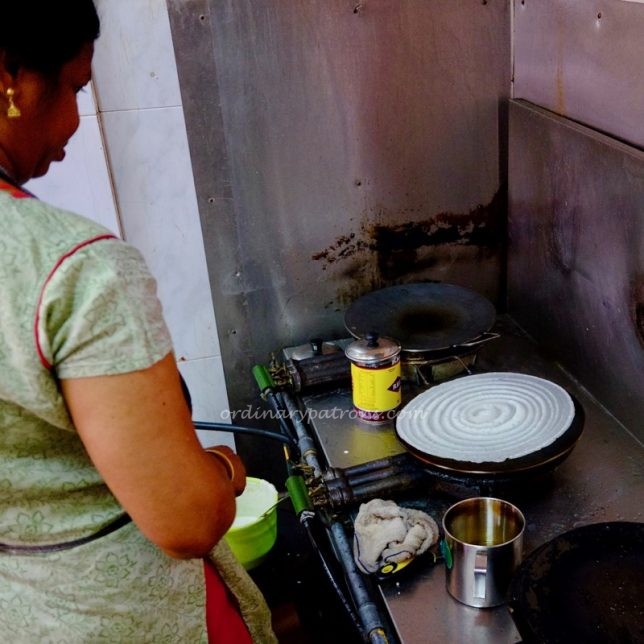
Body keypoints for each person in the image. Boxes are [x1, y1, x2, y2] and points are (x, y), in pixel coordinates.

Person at [0, 1, 276, 641]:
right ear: (10, 75)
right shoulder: (75, 269)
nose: (75, 121)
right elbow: (188, 520)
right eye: (74, 88)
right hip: (127, 617)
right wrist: (223, 470)